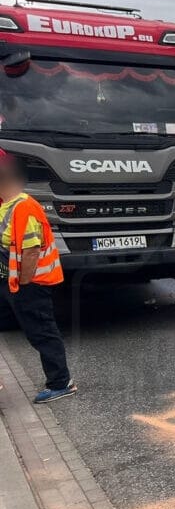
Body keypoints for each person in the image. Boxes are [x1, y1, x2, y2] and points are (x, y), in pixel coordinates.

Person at [0, 150, 76, 403]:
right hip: (12, 283)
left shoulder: (24, 208)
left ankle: (61, 382)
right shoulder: (7, 205)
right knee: (37, 332)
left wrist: (21, 286)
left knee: (41, 332)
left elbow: (31, 251)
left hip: (30, 284)